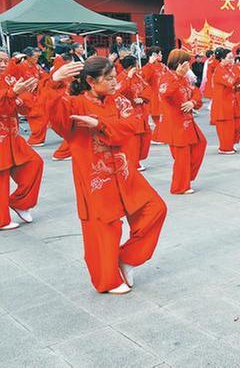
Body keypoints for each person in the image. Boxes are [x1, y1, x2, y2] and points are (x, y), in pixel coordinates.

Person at [47, 57, 167, 294]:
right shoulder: (74, 104)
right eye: (109, 78)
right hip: (95, 175)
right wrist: (53, 83)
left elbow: (133, 124)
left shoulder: (119, 101)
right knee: (104, 226)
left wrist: (100, 124)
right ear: (91, 81)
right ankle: (108, 279)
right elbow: (58, 121)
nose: (115, 82)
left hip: (123, 171)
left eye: (115, 77)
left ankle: (126, 257)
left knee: (155, 209)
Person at [0, 50, 42, 231]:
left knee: (35, 163)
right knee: (1, 176)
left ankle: (20, 202)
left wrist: (25, 94)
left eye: (4, 61)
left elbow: (25, 108)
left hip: (13, 135)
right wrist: (12, 94)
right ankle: (1, 220)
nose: (2, 65)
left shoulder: (9, 79)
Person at [160, 49, 207, 195]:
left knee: (200, 144)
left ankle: (186, 176)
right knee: (182, 156)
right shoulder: (167, 77)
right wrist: (179, 76)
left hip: (187, 121)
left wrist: (193, 102)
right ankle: (180, 186)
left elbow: (196, 92)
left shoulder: (184, 78)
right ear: (179, 64)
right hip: (175, 122)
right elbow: (166, 93)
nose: (189, 67)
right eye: (187, 64)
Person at [116, 56, 152, 172]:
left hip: (140, 111)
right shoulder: (121, 77)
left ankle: (137, 160)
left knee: (144, 137)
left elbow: (147, 89)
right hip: (129, 112)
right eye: (136, 64)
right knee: (133, 140)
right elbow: (119, 91)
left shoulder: (139, 77)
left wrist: (142, 98)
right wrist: (129, 77)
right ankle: (133, 163)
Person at [210, 48, 240, 154]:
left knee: (231, 125)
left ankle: (229, 145)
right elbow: (231, 81)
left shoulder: (226, 69)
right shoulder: (220, 70)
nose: (232, 60)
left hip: (228, 101)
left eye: (232, 58)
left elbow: (233, 83)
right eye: (229, 58)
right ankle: (225, 147)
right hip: (222, 103)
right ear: (222, 59)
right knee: (225, 127)